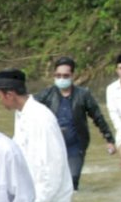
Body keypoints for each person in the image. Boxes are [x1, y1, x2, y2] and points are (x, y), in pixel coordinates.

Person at [0, 69, 73, 202]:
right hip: (34, 190)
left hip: (54, 192)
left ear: (10, 94)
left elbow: (53, 166)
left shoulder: (41, 118)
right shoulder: (21, 114)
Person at [33, 56, 116, 190]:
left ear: (72, 75)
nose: (61, 78)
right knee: (52, 183)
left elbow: (98, 117)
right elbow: (27, 111)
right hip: (51, 145)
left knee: (72, 180)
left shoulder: (83, 95)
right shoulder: (46, 95)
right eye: (58, 75)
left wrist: (109, 139)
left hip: (76, 145)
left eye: (65, 75)